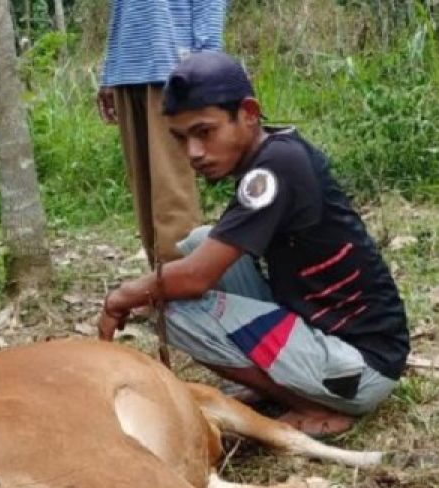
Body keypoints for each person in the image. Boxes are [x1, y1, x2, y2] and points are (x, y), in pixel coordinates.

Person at [97, 52, 410, 436]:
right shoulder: (277, 154)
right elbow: (204, 260)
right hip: (339, 339)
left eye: (204, 132)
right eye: (181, 138)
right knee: (200, 241)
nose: (193, 153)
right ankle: (281, 384)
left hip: (359, 368)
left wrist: (122, 296)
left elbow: (195, 279)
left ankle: (314, 407)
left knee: (175, 313)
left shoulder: (274, 171)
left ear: (248, 113)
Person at [97, 1, 227, 267]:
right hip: (127, 70)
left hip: (172, 68)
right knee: (143, 187)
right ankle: (160, 281)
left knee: (172, 186)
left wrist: (204, 64)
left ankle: (187, 286)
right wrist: (108, 75)